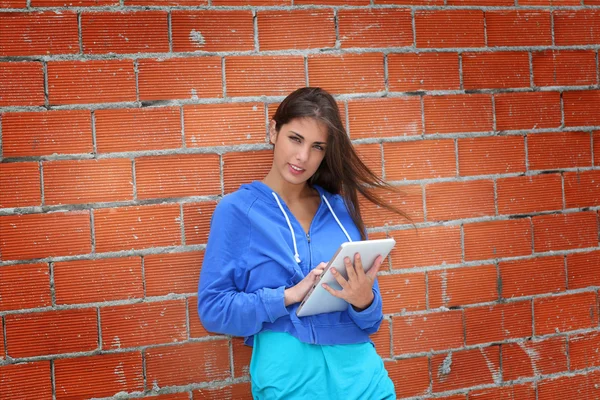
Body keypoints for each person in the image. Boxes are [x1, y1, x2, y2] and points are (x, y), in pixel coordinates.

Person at [198, 87, 414, 399]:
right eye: (295, 139)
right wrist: (287, 296)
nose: (303, 157)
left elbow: (371, 322)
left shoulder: (340, 210)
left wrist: (363, 300)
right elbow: (213, 310)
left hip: (362, 378)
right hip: (290, 379)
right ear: (274, 131)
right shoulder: (236, 211)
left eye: (317, 147)